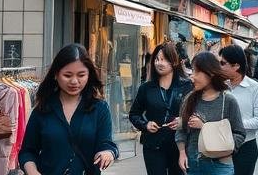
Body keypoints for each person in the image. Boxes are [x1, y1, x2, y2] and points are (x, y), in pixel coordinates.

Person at [18, 43, 119, 175]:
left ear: (89, 75)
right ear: (56, 75)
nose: (74, 81)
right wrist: (32, 171)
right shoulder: (43, 108)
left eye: (81, 75)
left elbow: (107, 144)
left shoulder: (99, 108)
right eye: (67, 75)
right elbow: (27, 151)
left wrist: (108, 153)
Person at [177, 52, 247, 175]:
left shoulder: (228, 100)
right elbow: (181, 130)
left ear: (211, 72)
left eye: (196, 72)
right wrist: (182, 153)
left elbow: (240, 133)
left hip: (220, 166)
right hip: (194, 164)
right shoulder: (189, 99)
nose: (192, 76)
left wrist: (223, 148)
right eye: (192, 71)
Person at [129, 43, 192, 175]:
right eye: (157, 59)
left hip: (179, 145)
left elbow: (196, 113)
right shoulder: (146, 88)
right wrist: (145, 124)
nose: (159, 63)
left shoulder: (186, 86)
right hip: (153, 145)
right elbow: (134, 114)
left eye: (164, 59)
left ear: (174, 61)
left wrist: (183, 120)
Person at [219, 45, 258, 175]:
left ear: (236, 66)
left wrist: (236, 125)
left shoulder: (255, 88)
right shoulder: (220, 87)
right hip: (220, 145)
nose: (220, 66)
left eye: (223, 63)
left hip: (246, 146)